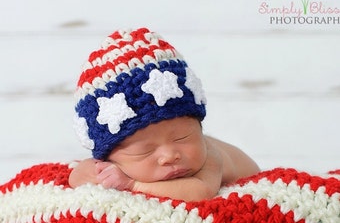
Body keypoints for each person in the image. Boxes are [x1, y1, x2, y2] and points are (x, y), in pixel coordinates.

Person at [69, 27, 260, 201]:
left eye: (183, 138)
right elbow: (76, 177)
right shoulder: (111, 160)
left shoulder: (210, 156)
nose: (169, 156)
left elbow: (200, 192)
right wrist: (99, 173)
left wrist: (133, 184)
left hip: (253, 178)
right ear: (109, 156)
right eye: (146, 150)